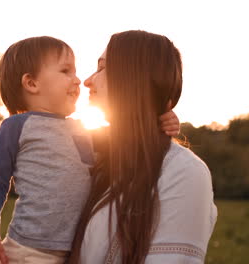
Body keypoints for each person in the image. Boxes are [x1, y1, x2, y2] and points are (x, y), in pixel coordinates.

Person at [0, 36, 180, 264]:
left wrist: (159, 121)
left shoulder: (82, 130)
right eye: (66, 71)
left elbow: (129, 139)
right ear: (31, 83)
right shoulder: (17, 126)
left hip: (74, 252)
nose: (78, 80)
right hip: (28, 250)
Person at [68, 30, 218, 264]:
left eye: (101, 68)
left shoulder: (185, 173)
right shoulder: (97, 160)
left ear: (132, 77)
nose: (87, 80)